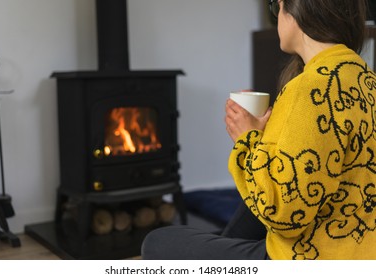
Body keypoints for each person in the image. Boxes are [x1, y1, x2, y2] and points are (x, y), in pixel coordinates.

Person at [141, 0, 376, 260]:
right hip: (362, 250)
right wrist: (269, 137)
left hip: (313, 256)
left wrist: (248, 139)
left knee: (157, 241)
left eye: (277, 8)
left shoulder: (312, 87)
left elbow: (285, 216)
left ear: (296, 12)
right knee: (227, 235)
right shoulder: (367, 80)